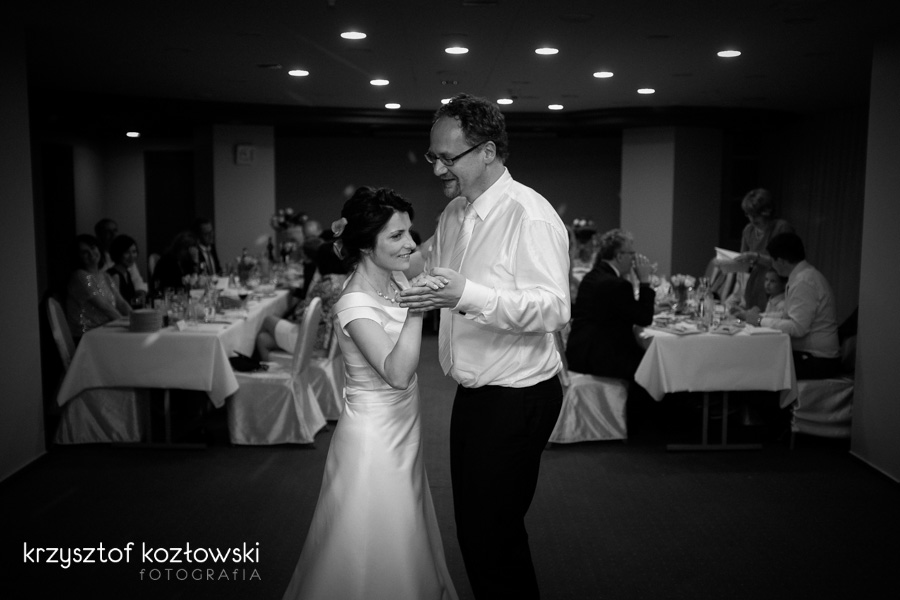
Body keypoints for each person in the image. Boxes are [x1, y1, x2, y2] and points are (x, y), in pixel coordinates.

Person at [399, 93, 570, 599]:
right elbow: (424, 263)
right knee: (478, 531)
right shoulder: (455, 212)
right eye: (433, 156)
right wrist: (367, 247)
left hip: (518, 396)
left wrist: (468, 296)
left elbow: (553, 308)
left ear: (488, 151)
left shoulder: (530, 215)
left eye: (447, 158)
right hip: (474, 393)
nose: (437, 169)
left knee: (491, 535)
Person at [281, 187, 457, 600]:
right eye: (396, 235)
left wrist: (459, 207)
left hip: (405, 428)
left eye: (408, 231)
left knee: (405, 525)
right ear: (364, 244)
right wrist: (416, 310)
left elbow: (432, 249)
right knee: (372, 536)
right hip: (373, 439)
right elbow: (397, 373)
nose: (409, 243)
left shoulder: (395, 276)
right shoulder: (353, 303)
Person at [735, 232, 840, 379]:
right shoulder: (802, 276)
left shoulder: (804, 281)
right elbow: (787, 315)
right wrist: (754, 316)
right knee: (756, 356)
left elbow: (798, 327)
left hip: (819, 360)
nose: (772, 264)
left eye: (772, 260)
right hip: (814, 356)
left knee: (757, 364)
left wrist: (759, 320)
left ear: (781, 261)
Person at [565, 228, 655, 381]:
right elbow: (645, 318)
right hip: (600, 359)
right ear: (619, 256)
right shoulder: (617, 285)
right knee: (650, 365)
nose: (634, 260)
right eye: (631, 254)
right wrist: (645, 281)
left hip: (580, 353)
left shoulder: (592, 276)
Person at [255, 240, 349, 361]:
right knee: (262, 339)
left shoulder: (326, 284)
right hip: (331, 343)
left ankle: (252, 364)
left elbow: (300, 313)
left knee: (268, 319)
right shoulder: (346, 281)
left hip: (313, 342)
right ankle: (269, 371)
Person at [733, 188, 793, 311]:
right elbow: (743, 260)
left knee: (770, 318)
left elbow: (786, 263)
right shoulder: (748, 230)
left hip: (776, 285)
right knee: (752, 316)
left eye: (755, 215)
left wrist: (756, 257)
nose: (752, 219)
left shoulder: (781, 228)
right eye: (748, 215)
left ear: (767, 211)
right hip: (754, 283)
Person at [66, 234, 132, 338]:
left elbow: (121, 303)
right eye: (84, 252)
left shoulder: (105, 276)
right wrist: (127, 323)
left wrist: (137, 318)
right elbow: (105, 307)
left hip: (106, 330)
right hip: (87, 335)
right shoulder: (80, 276)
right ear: (78, 256)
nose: (91, 254)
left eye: (93, 248)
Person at [106, 234, 147, 307]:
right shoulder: (115, 275)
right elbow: (116, 303)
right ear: (118, 253)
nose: (131, 256)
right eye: (127, 252)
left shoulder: (126, 272)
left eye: (134, 252)